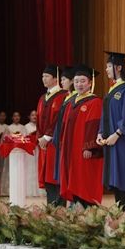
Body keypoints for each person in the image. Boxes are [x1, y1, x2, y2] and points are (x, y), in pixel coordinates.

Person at [97, 51, 125, 213]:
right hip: (110, 140)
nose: (107, 69)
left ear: (119, 68)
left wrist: (117, 134)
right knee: (115, 179)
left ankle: (123, 212)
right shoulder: (112, 90)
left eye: (109, 66)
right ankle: (119, 213)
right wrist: (100, 132)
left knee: (123, 176)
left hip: (123, 141)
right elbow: (105, 114)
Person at [59, 65, 104, 207]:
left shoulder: (95, 102)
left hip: (84, 151)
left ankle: (89, 210)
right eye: (77, 81)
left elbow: (93, 126)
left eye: (83, 81)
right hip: (71, 150)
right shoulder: (71, 102)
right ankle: (78, 209)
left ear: (90, 83)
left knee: (85, 180)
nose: (79, 84)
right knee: (73, 179)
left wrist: (89, 147)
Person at [36, 64, 68, 206]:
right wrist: (39, 138)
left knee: (56, 176)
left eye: (47, 76)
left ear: (56, 79)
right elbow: (38, 119)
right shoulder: (43, 98)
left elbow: (58, 118)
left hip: (56, 143)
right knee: (47, 178)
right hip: (44, 144)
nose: (44, 79)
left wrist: (47, 137)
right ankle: (50, 208)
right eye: (43, 76)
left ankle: (59, 209)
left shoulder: (63, 96)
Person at [51, 66, 76, 198]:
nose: (61, 82)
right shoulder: (66, 97)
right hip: (61, 140)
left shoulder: (75, 98)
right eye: (61, 80)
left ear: (72, 81)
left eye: (64, 79)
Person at [22, 110, 42, 197]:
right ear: (29, 117)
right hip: (29, 150)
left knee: (38, 168)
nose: (34, 117)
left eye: (36, 115)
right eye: (32, 115)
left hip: (38, 149)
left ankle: (39, 190)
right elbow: (23, 139)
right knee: (30, 168)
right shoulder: (26, 127)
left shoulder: (40, 126)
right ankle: (29, 191)